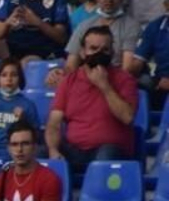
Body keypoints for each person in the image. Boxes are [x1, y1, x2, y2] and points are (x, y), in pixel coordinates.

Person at [46, 25, 139, 170]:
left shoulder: (124, 79)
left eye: (105, 50)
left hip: (111, 151)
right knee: (39, 152)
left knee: (105, 156)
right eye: (93, 48)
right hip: (74, 151)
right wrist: (53, 150)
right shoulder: (69, 81)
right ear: (83, 52)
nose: (99, 53)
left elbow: (128, 117)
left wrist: (104, 86)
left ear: (112, 52)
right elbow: (54, 123)